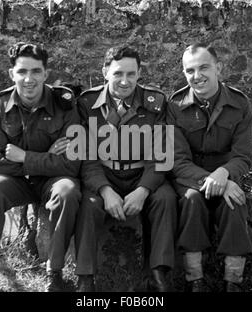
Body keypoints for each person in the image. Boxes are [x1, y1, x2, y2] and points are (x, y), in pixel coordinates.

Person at [0, 42, 82, 292]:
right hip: (17, 182)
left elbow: (71, 165)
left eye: (35, 71)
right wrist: (45, 157)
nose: (28, 79)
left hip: (52, 182)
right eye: (22, 72)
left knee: (68, 191)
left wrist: (25, 157)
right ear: (12, 74)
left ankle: (55, 275)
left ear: (46, 73)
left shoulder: (65, 105)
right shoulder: (0, 104)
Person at [75, 46, 177, 292]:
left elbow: (161, 155)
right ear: (105, 72)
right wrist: (105, 190)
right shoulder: (86, 104)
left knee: (165, 198)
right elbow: (85, 157)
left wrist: (143, 190)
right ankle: (86, 279)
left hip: (142, 174)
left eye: (131, 74)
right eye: (118, 73)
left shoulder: (156, 103)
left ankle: (157, 275)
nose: (125, 81)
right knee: (88, 203)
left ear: (139, 73)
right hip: (103, 174)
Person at [167, 43, 252, 292]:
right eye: (190, 70)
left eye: (204, 67)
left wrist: (225, 174)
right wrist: (214, 180)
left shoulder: (239, 104)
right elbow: (177, 160)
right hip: (190, 178)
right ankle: (195, 280)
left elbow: (243, 155)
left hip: (227, 171)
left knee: (234, 202)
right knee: (192, 201)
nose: (197, 76)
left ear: (218, 67)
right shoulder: (175, 106)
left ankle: (233, 281)